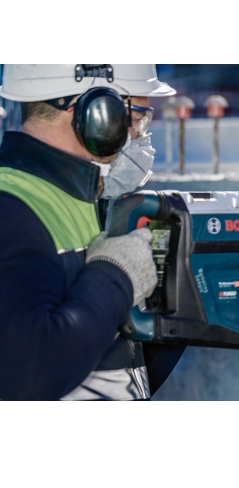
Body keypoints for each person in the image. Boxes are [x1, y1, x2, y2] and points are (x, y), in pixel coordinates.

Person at [0, 64, 179, 400]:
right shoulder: (10, 211)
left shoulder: (79, 198)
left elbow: (98, 364)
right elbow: (26, 375)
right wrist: (117, 276)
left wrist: (176, 313)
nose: (138, 136)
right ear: (96, 111)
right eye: (136, 118)